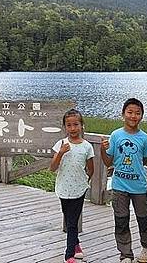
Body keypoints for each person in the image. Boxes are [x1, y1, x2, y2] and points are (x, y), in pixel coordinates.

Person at [101, 98, 147, 263]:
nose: (133, 116)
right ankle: (125, 253)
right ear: (123, 114)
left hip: (138, 186)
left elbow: (143, 161)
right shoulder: (116, 135)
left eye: (137, 113)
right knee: (121, 219)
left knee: (143, 217)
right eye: (130, 112)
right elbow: (108, 162)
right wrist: (103, 150)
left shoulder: (145, 138)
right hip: (119, 185)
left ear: (142, 116)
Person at [50, 108, 95, 263]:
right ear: (65, 127)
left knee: (72, 223)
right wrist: (61, 152)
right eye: (69, 125)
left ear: (82, 125)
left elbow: (91, 169)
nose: (73, 128)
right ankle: (76, 245)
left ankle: (69, 255)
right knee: (68, 217)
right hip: (63, 187)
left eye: (76, 124)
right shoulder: (60, 144)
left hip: (79, 188)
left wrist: (84, 183)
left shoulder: (87, 146)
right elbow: (52, 167)